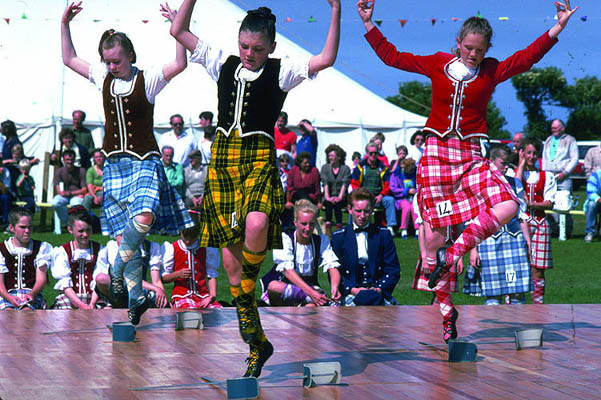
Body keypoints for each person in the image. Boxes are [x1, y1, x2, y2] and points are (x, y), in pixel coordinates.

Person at [357, 0, 577, 323]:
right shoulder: (437, 63)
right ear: (458, 43)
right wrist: (368, 23)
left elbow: (528, 57)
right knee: (434, 236)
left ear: (488, 49)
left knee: (508, 205)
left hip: (472, 154)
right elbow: (393, 57)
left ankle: (457, 251)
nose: (473, 54)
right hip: (436, 153)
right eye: (468, 48)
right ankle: (445, 314)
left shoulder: (492, 70)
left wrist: (558, 26)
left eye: (479, 49)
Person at [171, 0, 340, 377]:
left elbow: (326, 57)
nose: (249, 55)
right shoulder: (223, 62)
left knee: (258, 224)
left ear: (272, 47)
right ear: (239, 42)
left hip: (258, 157)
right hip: (223, 162)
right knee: (233, 277)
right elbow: (178, 32)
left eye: (258, 49)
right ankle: (257, 343)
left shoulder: (282, 72)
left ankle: (248, 305)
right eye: (245, 47)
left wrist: (336, 9)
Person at [61, 1, 192, 325]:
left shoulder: (146, 80)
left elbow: (180, 63)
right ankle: (136, 299)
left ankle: (116, 270)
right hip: (115, 165)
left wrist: (178, 29)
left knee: (144, 217)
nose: (112, 66)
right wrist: (64, 24)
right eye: (108, 61)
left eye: (116, 61)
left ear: (130, 56)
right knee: (124, 236)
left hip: (145, 160)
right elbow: (68, 59)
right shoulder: (102, 78)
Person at [464, 144, 533, 305]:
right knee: (493, 294)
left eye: (509, 163)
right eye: (503, 163)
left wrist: (528, 242)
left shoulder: (514, 183)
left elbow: (521, 216)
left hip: (515, 241)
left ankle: (518, 326)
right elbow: (474, 220)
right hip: (489, 242)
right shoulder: (478, 185)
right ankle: (496, 330)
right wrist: (473, 250)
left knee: (518, 293)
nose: (506, 167)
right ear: (490, 161)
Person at [260, 199, 341, 306]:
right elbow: (288, 271)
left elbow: (332, 266)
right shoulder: (285, 238)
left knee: (311, 308)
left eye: (311, 224)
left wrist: (335, 287)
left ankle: (308, 302)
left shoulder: (321, 240)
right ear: (295, 222)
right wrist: (311, 293)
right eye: (303, 224)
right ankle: (308, 299)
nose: (307, 228)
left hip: (309, 286)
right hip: (286, 286)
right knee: (274, 286)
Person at [331, 188, 400, 306]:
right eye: (358, 211)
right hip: (350, 294)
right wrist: (351, 290)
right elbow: (335, 270)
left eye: (367, 211)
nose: (362, 216)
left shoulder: (383, 235)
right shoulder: (338, 237)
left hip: (378, 293)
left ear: (372, 210)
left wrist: (379, 289)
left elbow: (393, 268)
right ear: (349, 209)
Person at [515, 138, 556, 304]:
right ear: (522, 153)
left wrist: (531, 203)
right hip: (519, 223)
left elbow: (549, 202)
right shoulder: (514, 173)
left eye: (534, 153)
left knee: (538, 269)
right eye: (528, 152)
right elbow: (515, 185)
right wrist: (520, 164)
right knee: (517, 266)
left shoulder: (546, 176)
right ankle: (517, 305)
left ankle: (537, 306)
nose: (531, 156)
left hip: (539, 223)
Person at [162, 212, 222, 309]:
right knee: (190, 312)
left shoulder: (206, 248)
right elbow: (163, 278)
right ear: (180, 232)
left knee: (217, 311)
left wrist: (212, 296)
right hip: (181, 297)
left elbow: (211, 275)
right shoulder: (173, 248)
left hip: (203, 296)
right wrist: (177, 274)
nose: (188, 241)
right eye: (185, 237)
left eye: (192, 238)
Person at [51, 206, 105, 309]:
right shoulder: (63, 251)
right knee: (65, 313)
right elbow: (64, 284)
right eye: (81, 231)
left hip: (94, 296)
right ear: (70, 230)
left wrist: (92, 304)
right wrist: (81, 305)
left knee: (105, 312)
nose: (85, 234)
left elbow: (99, 281)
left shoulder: (99, 249)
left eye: (88, 230)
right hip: (70, 296)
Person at [95, 237, 169, 309]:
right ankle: (117, 304)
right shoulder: (113, 246)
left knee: (158, 300)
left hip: (141, 289)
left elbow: (156, 281)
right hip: (120, 290)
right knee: (102, 278)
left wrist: (163, 298)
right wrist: (155, 289)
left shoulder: (150, 246)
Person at [0, 207, 51, 310]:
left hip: (31, 294)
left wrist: (32, 294)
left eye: (30, 227)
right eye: (22, 227)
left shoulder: (41, 248)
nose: (27, 231)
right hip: (6, 295)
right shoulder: (2, 249)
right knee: (7, 312)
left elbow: (41, 278)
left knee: (27, 312)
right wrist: (9, 297)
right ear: (11, 228)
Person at [350, 141, 396, 236]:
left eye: (375, 153)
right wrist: (362, 195)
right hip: (363, 196)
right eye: (371, 153)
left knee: (390, 200)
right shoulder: (360, 168)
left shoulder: (383, 168)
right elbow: (354, 184)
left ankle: (390, 227)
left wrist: (381, 195)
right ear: (367, 153)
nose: (373, 155)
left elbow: (388, 184)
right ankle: (353, 226)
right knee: (354, 202)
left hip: (379, 196)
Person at [542, 119, 578, 237]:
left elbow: (574, 159)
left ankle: (566, 231)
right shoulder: (548, 140)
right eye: (552, 128)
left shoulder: (570, 140)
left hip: (564, 177)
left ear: (563, 128)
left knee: (565, 203)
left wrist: (565, 172)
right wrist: (544, 173)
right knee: (550, 202)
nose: (554, 130)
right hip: (549, 176)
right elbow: (544, 159)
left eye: (556, 128)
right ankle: (554, 230)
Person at [51, 150, 87, 229]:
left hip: (76, 195)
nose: (69, 162)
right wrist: (63, 193)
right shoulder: (59, 171)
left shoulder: (81, 171)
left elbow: (84, 189)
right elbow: (58, 190)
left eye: (71, 160)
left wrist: (70, 193)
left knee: (75, 203)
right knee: (55, 202)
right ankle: (68, 222)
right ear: (63, 160)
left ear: (74, 160)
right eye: (67, 160)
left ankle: (76, 224)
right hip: (64, 195)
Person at [321, 144, 351, 234]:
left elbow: (344, 185)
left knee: (338, 204)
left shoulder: (345, 169)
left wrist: (339, 197)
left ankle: (339, 225)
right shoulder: (325, 168)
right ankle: (328, 224)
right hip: (329, 195)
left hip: (341, 195)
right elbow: (325, 184)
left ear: (338, 157)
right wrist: (328, 197)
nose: (330, 158)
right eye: (329, 156)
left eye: (332, 156)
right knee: (328, 203)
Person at [390, 157, 418, 239]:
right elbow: (393, 188)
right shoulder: (396, 174)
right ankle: (404, 229)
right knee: (406, 208)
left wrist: (415, 191)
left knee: (414, 207)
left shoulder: (415, 174)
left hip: (414, 198)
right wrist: (407, 191)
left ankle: (417, 229)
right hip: (401, 199)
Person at [583, 169, 601, 243]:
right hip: (596, 202)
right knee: (591, 204)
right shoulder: (595, 175)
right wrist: (599, 199)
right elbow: (590, 192)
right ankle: (589, 232)